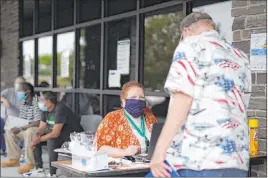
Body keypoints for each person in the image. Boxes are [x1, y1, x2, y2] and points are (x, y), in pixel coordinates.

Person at [150, 12, 251, 177]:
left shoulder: (190, 45)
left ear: (186, 32)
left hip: (197, 160)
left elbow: (183, 100)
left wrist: (159, 154)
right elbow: (242, 105)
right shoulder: (241, 57)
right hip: (236, 160)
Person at [25, 91, 83, 177]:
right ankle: (39, 169)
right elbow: (41, 127)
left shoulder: (60, 109)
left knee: (52, 140)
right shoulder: (45, 110)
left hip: (73, 135)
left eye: (41, 100)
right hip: (61, 134)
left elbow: (55, 133)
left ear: (49, 102)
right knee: (36, 137)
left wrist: (38, 140)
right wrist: (37, 135)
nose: (39, 102)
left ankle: (53, 173)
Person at [95, 81, 157, 158]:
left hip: (151, 163)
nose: (138, 100)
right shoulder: (113, 118)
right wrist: (125, 152)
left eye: (141, 97)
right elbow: (101, 149)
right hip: (125, 166)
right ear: (123, 101)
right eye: (133, 97)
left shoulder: (149, 116)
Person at [0, 82, 43, 174]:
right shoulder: (23, 102)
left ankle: (30, 163)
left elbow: (38, 122)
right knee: (10, 131)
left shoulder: (36, 101)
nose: (18, 93)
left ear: (28, 92)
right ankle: (14, 159)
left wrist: (20, 128)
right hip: (28, 127)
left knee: (29, 131)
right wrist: (14, 124)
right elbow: (22, 120)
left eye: (20, 91)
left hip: (40, 128)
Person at [0, 76, 26, 154]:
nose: (18, 85)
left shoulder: (26, 94)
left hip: (20, 119)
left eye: (20, 83)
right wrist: (4, 100)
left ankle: (20, 148)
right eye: (17, 83)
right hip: (6, 118)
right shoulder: (9, 91)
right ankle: (2, 148)